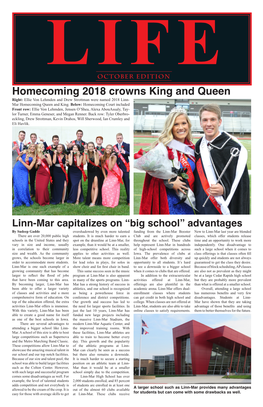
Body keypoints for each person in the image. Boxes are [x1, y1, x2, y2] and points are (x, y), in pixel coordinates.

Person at [135, 109, 196, 215]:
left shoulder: (192, 149)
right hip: (170, 202)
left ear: (188, 125)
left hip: (189, 203)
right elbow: (155, 176)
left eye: (183, 123)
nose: (181, 127)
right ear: (170, 127)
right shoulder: (162, 149)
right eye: (176, 124)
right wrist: (170, 182)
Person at [194, 104, 250, 214]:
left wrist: (224, 189)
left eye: (213, 119)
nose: (208, 124)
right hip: (201, 206)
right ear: (200, 123)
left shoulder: (234, 149)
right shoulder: (199, 145)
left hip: (222, 208)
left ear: (219, 122)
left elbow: (241, 185)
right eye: (205, 120)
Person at [83, 142, 103, 206]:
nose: (91, 147)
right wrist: (85, 154)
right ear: (87, 147)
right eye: (89, 146)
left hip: (96, 171)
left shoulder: (96, 153)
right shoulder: (86, 153)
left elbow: (97, 163)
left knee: (96, 186)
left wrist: (95, 153)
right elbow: (84, 163)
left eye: (92, 146)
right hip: (90, 171)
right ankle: (92, 200)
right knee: (91, 186)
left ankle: (94, 202)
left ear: (94, 147)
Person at [114, 133, 130, 205]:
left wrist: (125, 152)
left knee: (127, 184)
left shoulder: (127, 145)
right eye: (118, 138)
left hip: (125, 168)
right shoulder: (114, 147)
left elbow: (130, 153)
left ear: (122, 138)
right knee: (115, 184)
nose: (119, 139)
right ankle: (114, 200)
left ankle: (129, 200)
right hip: (117, 168)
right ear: (116, 139)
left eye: (120, 138)